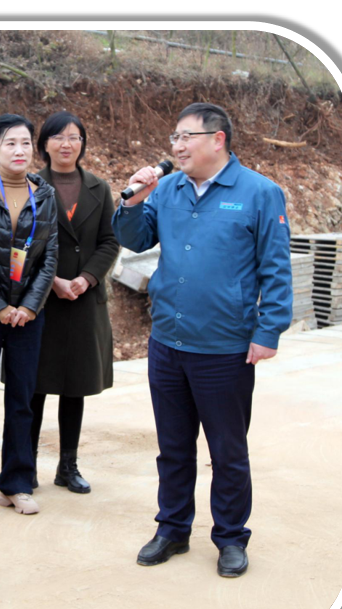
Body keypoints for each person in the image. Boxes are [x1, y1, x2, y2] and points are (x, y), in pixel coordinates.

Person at [112, 102, 292, 578]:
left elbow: (276, 269)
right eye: (174, 137)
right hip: (168, 340)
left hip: (225, 346)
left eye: (186, 136)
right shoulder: (168, 188)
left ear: (218, 139)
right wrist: (132, 200)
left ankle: (230, 537)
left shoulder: (259, 193)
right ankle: (172, 529)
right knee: (173, 446)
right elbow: (135, 238)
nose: (177, 146)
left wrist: (268, 330)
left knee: (227, 451)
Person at [0, 114, 58, 516]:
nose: (19, 151)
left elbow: (50, 257)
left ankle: (16, 484)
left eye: (25, 143)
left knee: (22, 402)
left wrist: (28, 306)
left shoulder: (46, 195)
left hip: (27, 318)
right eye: (10, 143)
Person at [29, 111, 120, 495]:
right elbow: (19, 243)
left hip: (84, 301)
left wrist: (87, 278)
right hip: (40, 302)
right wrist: (52, 281)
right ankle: (25, 465)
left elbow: (110, 241)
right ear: (44, 144)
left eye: (75, 137)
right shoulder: (30, 187)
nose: (67, 144)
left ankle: (68, 466)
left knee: (75, 387)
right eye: (59, 137)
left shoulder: (98, 187)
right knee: (33, 388)